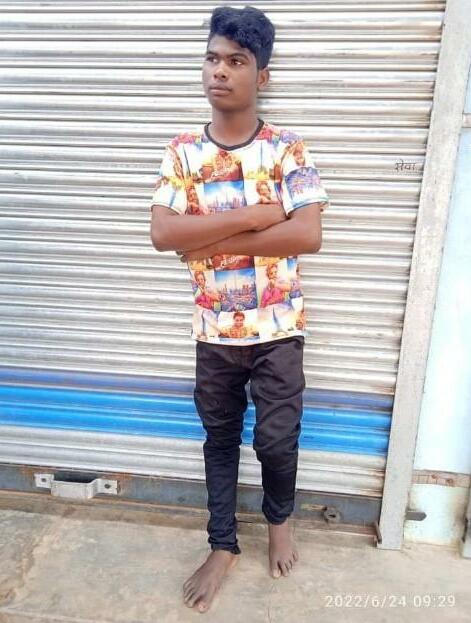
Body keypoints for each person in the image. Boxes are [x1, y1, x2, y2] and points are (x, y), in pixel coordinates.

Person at [150, 5, 330, 614]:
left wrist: (205, 241)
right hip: (214, 331)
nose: (219, 71)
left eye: (236, 60)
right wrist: (256, 216)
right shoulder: (182, 153)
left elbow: (307, 234)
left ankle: (280, 521)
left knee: (277, 440)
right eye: (212, 58)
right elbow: (163, 233)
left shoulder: (285, 150)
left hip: (278, 328)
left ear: (263, 75)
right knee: (220, 437)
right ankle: (222, 544)